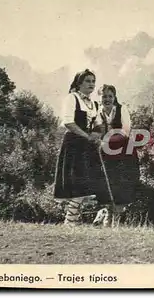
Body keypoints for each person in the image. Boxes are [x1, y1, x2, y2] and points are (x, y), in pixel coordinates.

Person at [53, 69, 105, 225]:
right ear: (79, 83)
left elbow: (99, 124)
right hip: (74, 145)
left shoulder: (94, 104)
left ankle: (72, 219)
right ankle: (70, 220)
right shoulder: (72, 98)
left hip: (88, 146)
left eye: (93, 81)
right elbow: (69, 122)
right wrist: (86, 136)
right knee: (76, 182)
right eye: (88, 81)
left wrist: (96, 134)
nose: (91, 84)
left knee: (89, 182)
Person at [92, 84, 141, 227]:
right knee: (105, 182)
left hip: (123, 151)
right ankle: (107, 214)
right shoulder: (97, 113)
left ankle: (118, 219)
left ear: (114, 97)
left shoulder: (121, 109)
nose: (107, 99)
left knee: (121, 182)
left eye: (110, 96)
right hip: (105, 152)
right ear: (100, 99)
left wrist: (106, 138)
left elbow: (125, 131)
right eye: (104, 97)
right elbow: (96, 132)